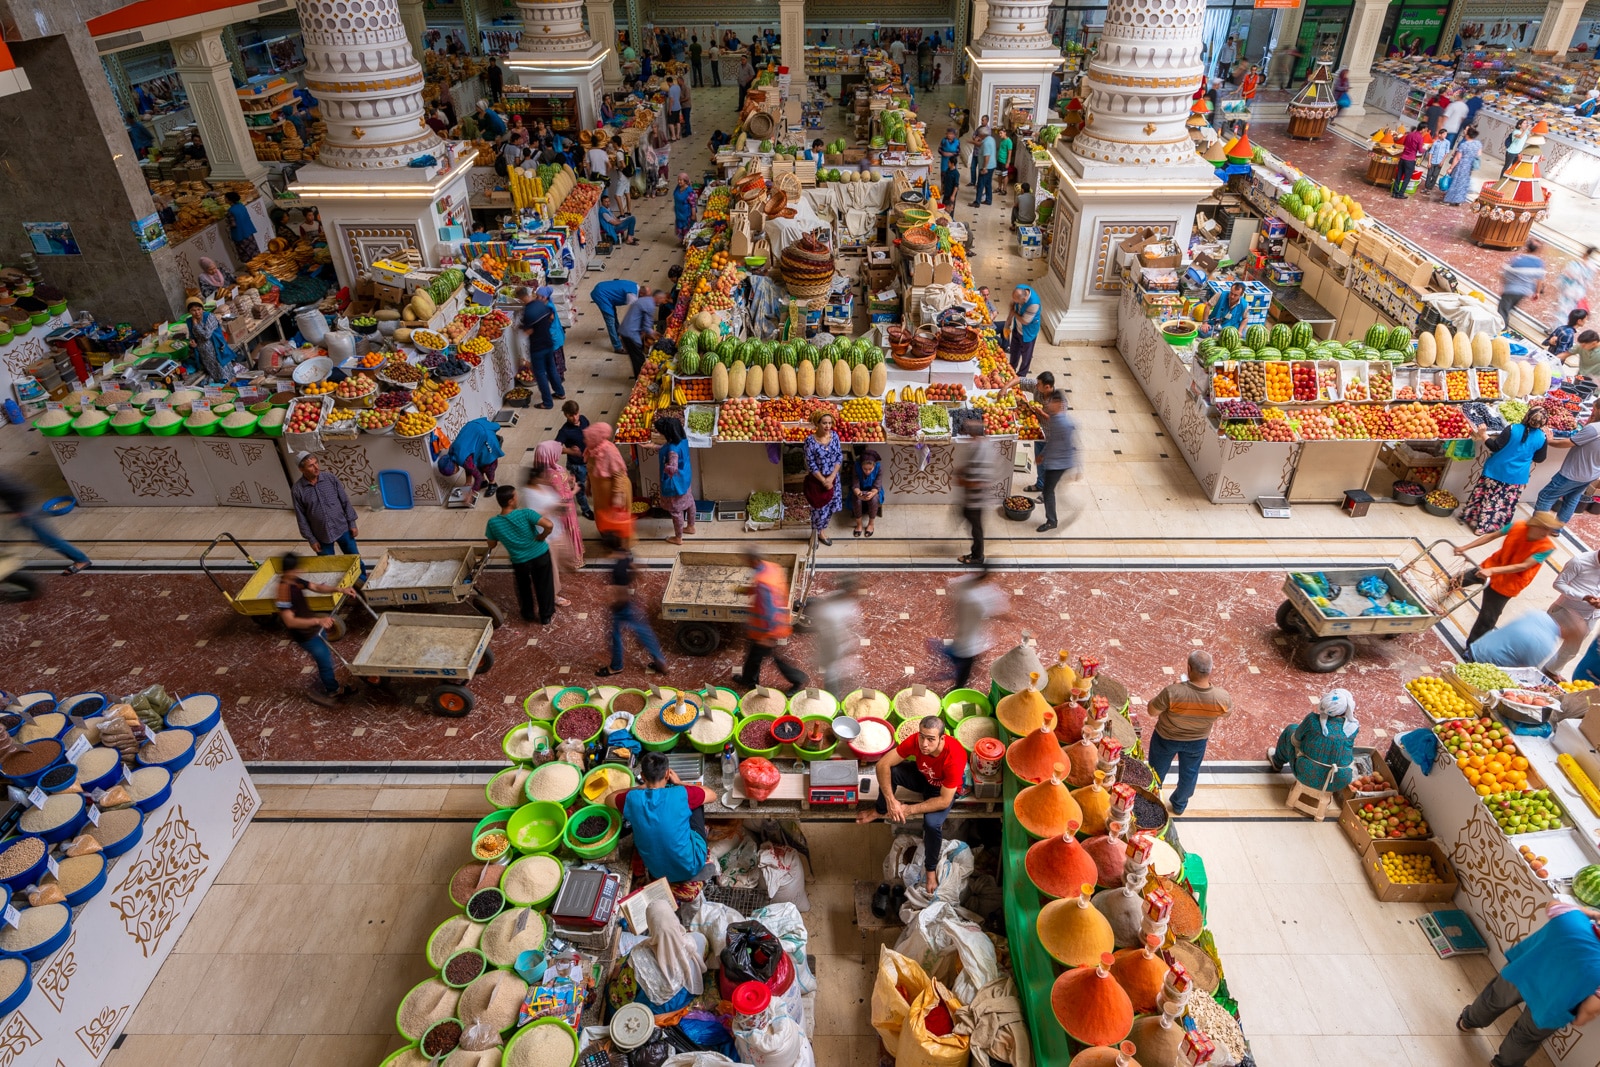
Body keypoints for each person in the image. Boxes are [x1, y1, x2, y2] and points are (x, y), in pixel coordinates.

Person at [1458, 900, 1600, 1067]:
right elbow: (1591, 1008)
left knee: (1492, 1001)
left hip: (1520, 974)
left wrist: (1592, 914)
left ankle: (1467, 1022)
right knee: (1524, 1038)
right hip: (1552, 1005)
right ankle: (1502, 1064)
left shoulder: (1570, 917)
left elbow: (1552, 905)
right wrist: (1580, 1019)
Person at [857, 717, 966, 894]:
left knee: (932, 825)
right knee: (892, 771)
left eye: (931, 739)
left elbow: (945, 801)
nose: (924, 743)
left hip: (942, 791)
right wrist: (892, 802)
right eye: (922, 736)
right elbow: (882, 764)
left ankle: (930, 870)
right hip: (924, 778)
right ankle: (879, 810)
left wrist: (908, 809)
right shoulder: (916, 741)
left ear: (942, 738)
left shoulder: (954, 756)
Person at [1456, 511, 1565, 647]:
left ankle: (1472, 648)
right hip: (1493, 564)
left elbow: (1523, 566)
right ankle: (1436, 604)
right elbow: (1492, 536)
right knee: (1457, 580)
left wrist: (1492, 571)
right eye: (1543, 528)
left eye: (1549, 529)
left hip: (1508, 583)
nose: (1546, 532)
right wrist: (1464, 548)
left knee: (1487, 618)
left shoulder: (1547, 548)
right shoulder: (1517, 526)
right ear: (1533, 525)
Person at [1145, 650, 1231, 816]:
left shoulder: (1173, 692)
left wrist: (1176, 688)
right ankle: (1179, 804)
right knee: (1190, 774)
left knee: (1156, 771)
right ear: (1210, 670)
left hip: (1166, 738)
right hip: (1197, 742)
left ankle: (1151, 801)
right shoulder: (1222, 697)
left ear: (1189, 668)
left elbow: (1151, 710)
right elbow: (1226, 714)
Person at [273, 553, 356, 706]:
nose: (299, 571)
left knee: (326, 655)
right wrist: (318, 620)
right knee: (324, 660)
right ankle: (333, 690)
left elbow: (316, 586)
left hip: (315, 628)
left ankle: (331, 684)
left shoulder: (295, 581)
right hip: (306, 635)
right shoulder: (283, 592)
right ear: (289, 571)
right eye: (296, 569)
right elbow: (290, 621)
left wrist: (340, 589)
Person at [611, 753, 707, 883]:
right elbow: (712, 795)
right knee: (696, 803)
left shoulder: (632, 798)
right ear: (667, 774)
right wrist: (680, 783)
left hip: (658, 873)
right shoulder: (681, 792)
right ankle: (695, 849)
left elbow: (609, 798)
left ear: (643, 776)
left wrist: (639, 787)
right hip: (693, 865)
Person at [1459, 408, 1549, 534]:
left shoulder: (1513, 429)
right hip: (1517, 477)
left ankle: (1473, 520)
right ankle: (1488, 527)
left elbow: (1495, 446)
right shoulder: (1542, 437)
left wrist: (1483, 433)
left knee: (1486, 497)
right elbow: (1539, 459)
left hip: (1495, 471)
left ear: (1527, 416)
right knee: (1499, 503)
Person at [732, 546, 808, 693]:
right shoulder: (771, 567)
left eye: (746, 561)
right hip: (775, 623)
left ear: (752, 560)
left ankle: (798, 680)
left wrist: (767, 636)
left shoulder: (762, 582)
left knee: (773, 658)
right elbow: (771, 591)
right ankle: (749, 680)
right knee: (754, 657)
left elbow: (768, 610)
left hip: (769, 629)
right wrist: (747, 590)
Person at [595, 532, 667, 677]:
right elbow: (636, 569)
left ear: (607, 550)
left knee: (614, 635)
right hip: (632, 602)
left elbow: (620, 594)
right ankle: (660, 662)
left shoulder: (617, 570)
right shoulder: (626, 553)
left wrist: (611, 602)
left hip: (622, 607)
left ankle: (616, 666)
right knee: (644, 632)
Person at [485, 485, 556, 625]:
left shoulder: (493, 523)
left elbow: (491, 544)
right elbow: (549, 525)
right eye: (515, 496)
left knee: (523, 587)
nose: (517, 498)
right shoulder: (526, 514)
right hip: (540, 554)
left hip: (520, 561)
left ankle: (528, 613)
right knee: (544, 585)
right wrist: (542, 536)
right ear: (511, 501)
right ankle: (545, 616)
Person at [1268, 689, 1359, 792]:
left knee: (1291, 730)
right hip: (1338, 782)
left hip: (1306, 776)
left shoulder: (1312, 720)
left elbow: (1295, 740)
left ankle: (1277, 762)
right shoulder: (1353, 728)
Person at [292, 453, 365, 579]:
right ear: (301, 469)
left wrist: (352, 523)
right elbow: (301, 517)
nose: (316, 467)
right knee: (328, 567)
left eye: (316, 463)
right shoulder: (298, 490)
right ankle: (338, 591)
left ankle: (362, 583)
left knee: (355, 559)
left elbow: (344, 501)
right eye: (311, 465)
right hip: (321, 534)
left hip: (342, 528)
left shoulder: (330, 478)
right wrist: (311, 539)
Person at [0, 472, 89, 575]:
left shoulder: (3, 482)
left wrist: (19, 511)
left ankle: (82, 560)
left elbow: (20, 492)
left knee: (50, 539)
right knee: (14, 535)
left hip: (26, 512)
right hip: (22, 511)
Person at [932, 568, 1009, 687]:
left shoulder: (966, 584)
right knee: (964, 660)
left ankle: (958, 683)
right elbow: (1005, 613)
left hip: (968, 640)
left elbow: (950, 584)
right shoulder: (987, 595)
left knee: (963, 660)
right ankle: (958, 682)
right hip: (970, 641)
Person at [523, 450, 581, 607]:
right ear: (535, 478)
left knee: (568, 556)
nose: (546, 478)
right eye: (543, 476)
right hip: (545, 537)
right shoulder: (529, 494)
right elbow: (536, 515)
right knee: (551, 568)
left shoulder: (543, 486)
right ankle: (553, 595)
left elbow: (555, 500)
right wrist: (554, 507)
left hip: (557, 529)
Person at [1027, 389, 1080, 533]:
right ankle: (1052, 514)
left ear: (1059, 404)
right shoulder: (1055, 419)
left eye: (1051, 402)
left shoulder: (1065, 424)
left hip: (1060, 463)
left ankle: (1052, 521)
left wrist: (1078, 468)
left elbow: (1074, 445)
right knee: (1050, 489)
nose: (1048, 404)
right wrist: (1042, 455)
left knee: (1048, 490)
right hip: (1053, 461)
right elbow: (1052, 441)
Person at [1536, 404, 1600, 522]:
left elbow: (1567, 443)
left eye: (1594, 409)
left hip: (1573, 474)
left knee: (1545, 497)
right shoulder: (1593, 428)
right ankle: (1556, 530)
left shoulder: (1594, 429)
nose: (1592, 411)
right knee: (1572, 499)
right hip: (1591, 474)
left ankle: (1536, 529)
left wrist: (1550, 441)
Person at [1470, 608, 1588, 669]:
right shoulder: (1545, 645)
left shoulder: (1538, 614)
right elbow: (1525, 672)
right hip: (1485, 665)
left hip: (1476, 647)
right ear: (1569, 634)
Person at [956, 419, 998, 564]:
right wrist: (963, 470)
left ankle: (977, 556)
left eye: (969, 432)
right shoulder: (981, 444)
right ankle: (976, 552)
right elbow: (973, 466)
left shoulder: (982, 449)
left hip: (977, 498)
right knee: (972, 520)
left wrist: (964, 482)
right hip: (973, 497)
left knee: (976, 526)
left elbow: (980, 480)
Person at [810, 576, 861, 695]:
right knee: (832, 675)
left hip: (842, 644)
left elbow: (853, 623)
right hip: (830, 646)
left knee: (844, 673)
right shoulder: (829, 607)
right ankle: (834, 701)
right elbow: (823, 628)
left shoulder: (848, 604)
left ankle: (843, 695)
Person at [585, 421, 633, 539]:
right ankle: (608, 539)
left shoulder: (609, 451)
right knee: (603, 519)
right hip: (601, 495)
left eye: (588, 437)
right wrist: (589, 485)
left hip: (613, 494)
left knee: (617, 523)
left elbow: (619, 475)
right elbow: (590, 469)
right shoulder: (591, 450)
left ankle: (621, 544)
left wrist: (617, 496)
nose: (585, 440)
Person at [804, 409, 844, 546]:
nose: (827, 426)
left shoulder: (835, 436)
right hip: (818, 482)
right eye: (824, 423)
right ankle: (814, 534)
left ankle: (821, 532)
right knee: (818, 511)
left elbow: (839, 456)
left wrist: (832, 477)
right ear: (817, 424)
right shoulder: (810, 441)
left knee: (830, 508)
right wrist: (823, 480)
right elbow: (811, 463)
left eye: (829, 423)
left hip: (833, 480)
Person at [518, 286, 563, 408]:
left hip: (537, 347)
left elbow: (529, 332)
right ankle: (560, 392)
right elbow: (551, 317)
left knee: (540, 374)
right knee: (551, 369)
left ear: (521, 298)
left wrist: (521, 328)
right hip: (548, 342)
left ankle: (547, 402)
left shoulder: (528, 312)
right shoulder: (540, 304)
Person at [654, 415, 695, 545]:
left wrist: (666, 468)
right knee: (689, 501)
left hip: (674, 484)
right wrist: (652, 447)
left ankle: (678, 537)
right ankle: (691, 526)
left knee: (676, 510)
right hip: (685, 479)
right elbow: (670, 450)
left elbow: (673, 467)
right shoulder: (682, 440)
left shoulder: (672, 450)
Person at [554, 401, 595, 518]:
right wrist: (570, 451)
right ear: (565, 415)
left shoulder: (584, 419)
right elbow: (555, 448)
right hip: (577, 465)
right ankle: (585, 510)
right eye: (571, 415)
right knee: (579, 487)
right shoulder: (564, 431)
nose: (575, 418)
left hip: (590, 460)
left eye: (576, 414)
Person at [448, 417, 506, 499]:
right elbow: (468, 465)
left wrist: (472, 492)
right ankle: (483, 482)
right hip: (475, 430)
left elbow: (476, 475)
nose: (454, 473)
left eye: (453, 472)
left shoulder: (460, 457)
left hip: (484, 435)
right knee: (478, 464)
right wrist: (468, 481)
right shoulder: (452, 453)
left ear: (454, 467)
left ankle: (493, 483)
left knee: (488, 464)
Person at [184, 298, 237, 382]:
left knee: (224, 372)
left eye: (199, 309)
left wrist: (195, 324)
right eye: (193, 310)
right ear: (189, 312)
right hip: (204, 353)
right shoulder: (189, 321)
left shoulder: (209, 317)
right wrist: (192, 342)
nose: (197, 312)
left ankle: (232, 385)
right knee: (215, 374)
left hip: (216, 350)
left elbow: (206, 335)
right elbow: (192, 335)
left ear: (202, 309)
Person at [620, 290, 668, 377]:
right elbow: (647, 327)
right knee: (638, 359)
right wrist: (658, 336)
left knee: (636, 357)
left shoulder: (645, 300)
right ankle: (640, 380)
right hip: (630, 333)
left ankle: (639, 378)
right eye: (662, 299)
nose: (662, 302)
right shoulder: (650, 306)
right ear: (658, 298)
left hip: (626, 330)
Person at [1500, 240, 1546, 324]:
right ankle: (1503, 326)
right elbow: (1540, 280)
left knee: (1502, 310)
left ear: (1527, 248)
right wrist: (1537, 292)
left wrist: (1504, 284)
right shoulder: (1539, 263)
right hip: (1524, 292)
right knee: (1508, 308)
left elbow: (1505, 273)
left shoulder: (1517, 260)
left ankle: (1502, 329)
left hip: (1511, 289)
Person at [591, 278, 639, 353]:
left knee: (614, 314)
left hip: (605, 290)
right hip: (601, 294)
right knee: (610, 320)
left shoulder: (636, 286)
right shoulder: (632, 295)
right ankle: (618, 347)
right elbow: (632, 316)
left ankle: (619, 333)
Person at [1557, 247, 1600, 326]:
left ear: (1584, 254)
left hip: (1569, 290)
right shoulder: (1592, 267)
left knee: (1563, 310)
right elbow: (1588, 282)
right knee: (1571, 310)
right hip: (1579, 292)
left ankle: (1558, 327)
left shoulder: (1574, 264)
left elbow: (1566, 276)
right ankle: (1563, 326)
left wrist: (1560, 285)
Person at [1005, 284, 1042, 375]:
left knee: (1026, 355)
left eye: (1018, 302)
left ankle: (1021, 375)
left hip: (1028, 332)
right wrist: (1008, 321)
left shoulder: (1033, 304)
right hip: (1017, 327)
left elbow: (1025, 321)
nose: (1016, 303)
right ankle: (1011, 369)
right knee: (1014, 350)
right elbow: (1013, 305)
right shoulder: (1020, 289)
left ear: (1024, 300)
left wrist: (1014, 313)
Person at [1443, 125, 1482, 206]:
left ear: (1467, 135)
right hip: (1469, 166)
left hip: (1461, 166)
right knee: (1464, 183)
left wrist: (1451, 168)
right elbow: (1478, 154)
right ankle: (1459, 200)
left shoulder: (1464, 145)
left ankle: (1451, 199)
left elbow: (1457, 158)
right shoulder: (1478, 144)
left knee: (1456, 182)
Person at [852, 448, 884, 538]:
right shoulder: (856, 466)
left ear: (874, 466)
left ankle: (871, 524)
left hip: (874, 491)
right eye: (865, 469)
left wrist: (872, 493)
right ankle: (859, 524)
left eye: (870, 469)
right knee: (856, 499)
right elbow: (855, 484)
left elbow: (877, 485)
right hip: (860, 490)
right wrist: (858, 493)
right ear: (861, 466)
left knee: (874, 499)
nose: (868, 471)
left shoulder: (879, 467)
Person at [1393, 123, 1428, 199]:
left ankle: (1394, 192)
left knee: (1398, 176)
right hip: (1410, 159)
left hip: (1402, 158)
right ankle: (1401, 193)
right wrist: (1425, 148)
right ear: (1423, 129)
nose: (1426, 131)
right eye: (1425, 129)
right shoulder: (1420, 137)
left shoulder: (1409, 134)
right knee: (1407, 178)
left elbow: (1404, 143)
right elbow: (1420, 150)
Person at [224, 191, 258, 260]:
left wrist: (227, 226)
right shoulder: (241, 206)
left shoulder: (230, 211)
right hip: (248, 230)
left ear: (229, 200)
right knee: (253, 249)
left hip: (240, 234)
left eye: (226, 198)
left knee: (245, 252)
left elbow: (233, 224)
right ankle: (258, 262)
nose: (225, 200)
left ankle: (252, 266)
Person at [974, 125, 997, 207]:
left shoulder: (986, 143)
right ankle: (988, 200)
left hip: (987, 167)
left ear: (982, 135)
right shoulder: (990, 139)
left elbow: (986, 156)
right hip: (992, 165)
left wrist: (984, 168)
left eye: (979, 134)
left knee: (980, 184)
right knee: (988, 184)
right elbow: (981, 144)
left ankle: (977, 202)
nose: (978, 136)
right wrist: (974, 142)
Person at [938, 125, 961, 208]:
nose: (949, 135)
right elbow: (939, 149)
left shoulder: (957, 142)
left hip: (952, 161)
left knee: (952, 177)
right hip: (945, 161)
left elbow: (958, 152)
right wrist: (943, 153)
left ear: (954, 135)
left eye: (951, 134)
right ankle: (943, 189)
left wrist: (951, 154)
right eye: (948, 134)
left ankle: (950, 192)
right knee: (943, 175)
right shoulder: (944, 141)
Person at [673, 173, 694, 240]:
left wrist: (693, 215)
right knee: (680, 228)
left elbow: (692, 204)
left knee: (686, 229)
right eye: (678, 180)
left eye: (681, 180)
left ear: (685, 181)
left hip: (686, 215)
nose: (679, 181)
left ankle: (686, 243)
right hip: (679, 213)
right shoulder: (678, 188)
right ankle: (682, 241)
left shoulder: (689, 191)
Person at [995, 130, 1013, 196]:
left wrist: (1008, 162)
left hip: (1004, 161)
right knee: (999, 174)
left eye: (1001, 133)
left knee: (1004, 175)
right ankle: (999, 187)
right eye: (999, 133)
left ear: (1005, 133)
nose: (1000, 134)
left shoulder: (1009, 141)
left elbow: (1009, 152)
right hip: (999, 160)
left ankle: (1004, 189)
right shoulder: (1002, 140)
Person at [665, 76, 682, 140]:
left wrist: (669, 109)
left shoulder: (671, 89)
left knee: (670, 122)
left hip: (673, 108)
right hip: (678, 106)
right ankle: (678, 135)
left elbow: (671, 100)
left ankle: (673, 136)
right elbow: (679, 96)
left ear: (668, 82)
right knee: (678, 121)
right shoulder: (678, 87)